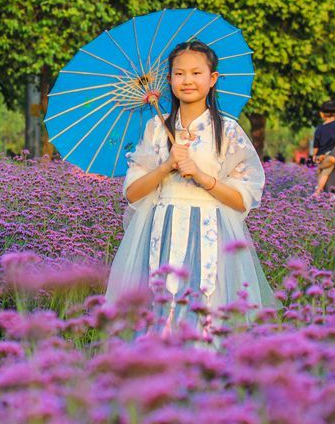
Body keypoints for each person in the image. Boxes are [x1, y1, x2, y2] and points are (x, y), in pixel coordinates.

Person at [104, 39, 281, 341]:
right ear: (169, 79)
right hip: (161, 231)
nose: (187, 80)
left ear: (212, 79)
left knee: (207, 306)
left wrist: (201, 176)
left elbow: (242, 199)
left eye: (196, 73)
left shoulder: (227, 131)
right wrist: (166, 167)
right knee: (160, 304)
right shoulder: (156, 130)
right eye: (179, 73)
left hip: (210, 230)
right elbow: (132, 193)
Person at [311, 100, 335, 196]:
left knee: (321, 172)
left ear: (322, 114)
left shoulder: (319, 128)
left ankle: (320, 189)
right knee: (326, 173)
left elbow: (316, 144)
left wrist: (314, 155)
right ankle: (318, 191)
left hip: (320, 155)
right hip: (330, 155)